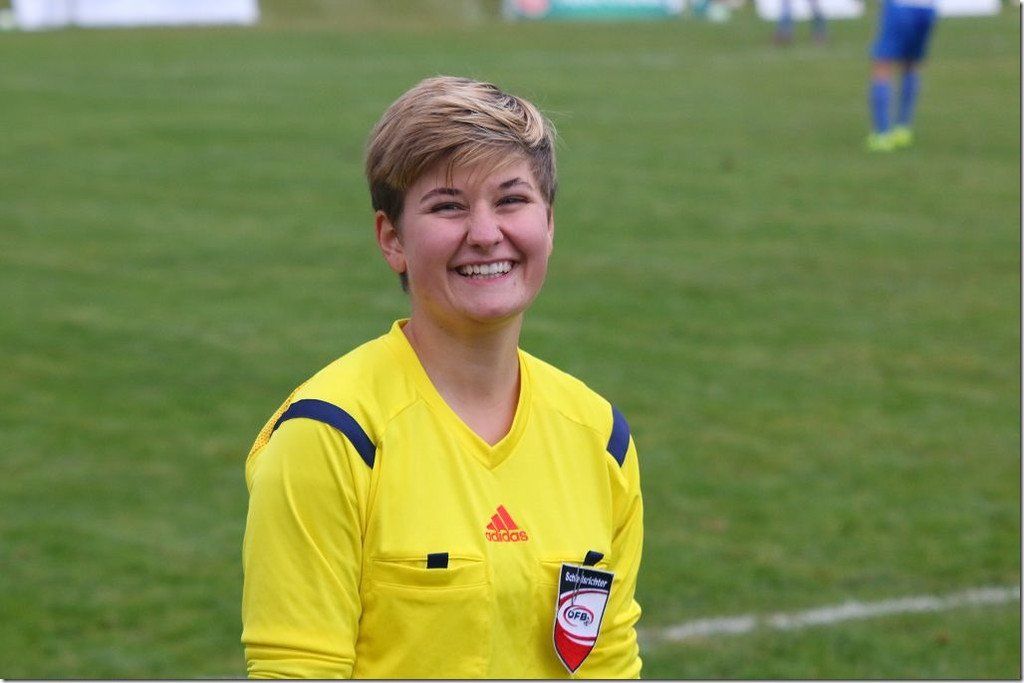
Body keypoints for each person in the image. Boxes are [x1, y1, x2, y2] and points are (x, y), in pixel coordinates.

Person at [240, 76, 644, 679]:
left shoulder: (599, 436)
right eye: (448, 206)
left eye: (511, 200)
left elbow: (608, 665)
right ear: (392, 240)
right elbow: (298, 668)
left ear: (549, 223)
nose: (485, 233)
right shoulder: (332, 435)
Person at [866, 0, 938, 151]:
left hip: (900, 7)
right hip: (927, 9)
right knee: (911, 64)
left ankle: (882, 135)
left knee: (882, 65)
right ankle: (903, 129)